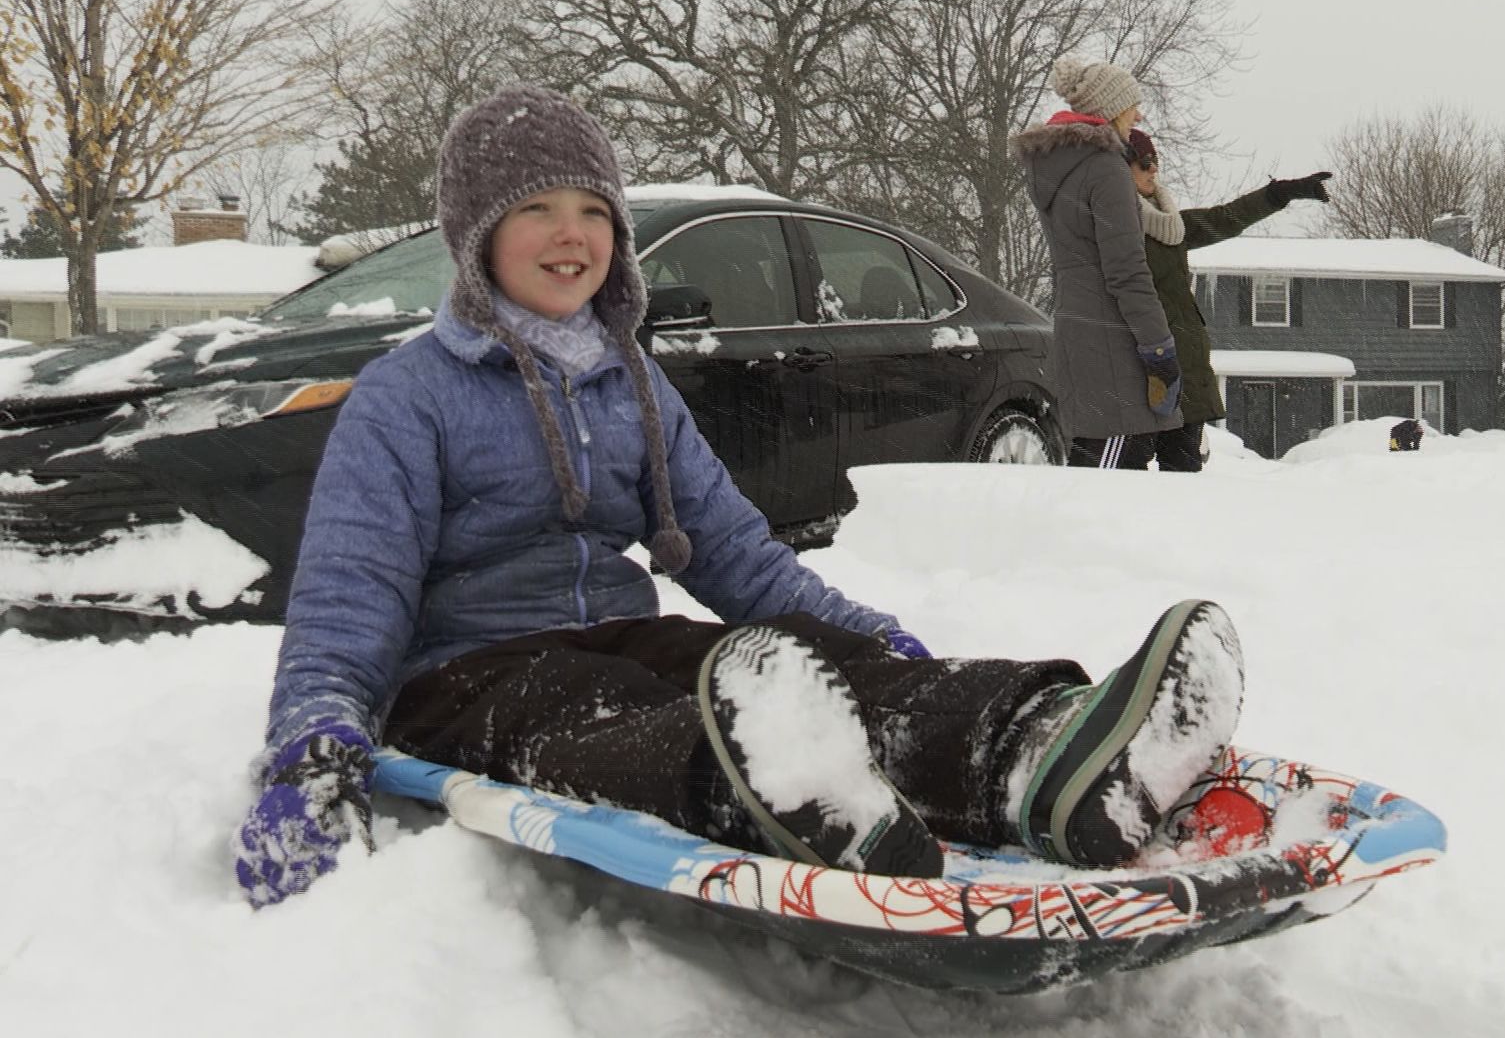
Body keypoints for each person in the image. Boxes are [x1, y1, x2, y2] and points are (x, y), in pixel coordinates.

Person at [229, 87, 1246, 907]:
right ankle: (790, 796)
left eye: (592, 211)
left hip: (618, 632)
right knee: (609, 714)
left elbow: (732, 552)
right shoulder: (409, 396)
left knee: (773, 670)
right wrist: (311, 748)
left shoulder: (630, 380)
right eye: (536, 209)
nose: (569, 234)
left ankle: (1039, 754)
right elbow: (349, 593)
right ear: (477, 233)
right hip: (465, 675)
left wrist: (873, 643)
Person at [1121, 128, 1334, 471]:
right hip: (1139, 376)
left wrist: (1278, 194)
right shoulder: (1112, 228)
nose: (1153, 169)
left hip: (1185, 374)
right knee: (1125, 483)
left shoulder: (1168, 227)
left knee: (1184, 481)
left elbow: (1225, 219)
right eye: (1144, 162)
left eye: (1155, 160)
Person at [1013, 56, 1180, 470]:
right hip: (1113, 342)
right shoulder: (1105, 168)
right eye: (1132, 105)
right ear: (1110, 109)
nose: (1138, 114)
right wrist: (1159, 346)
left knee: (1094, 467)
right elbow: (1125, 270)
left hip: (1077, 328)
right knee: (1111, 479)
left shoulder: (1057, 167)